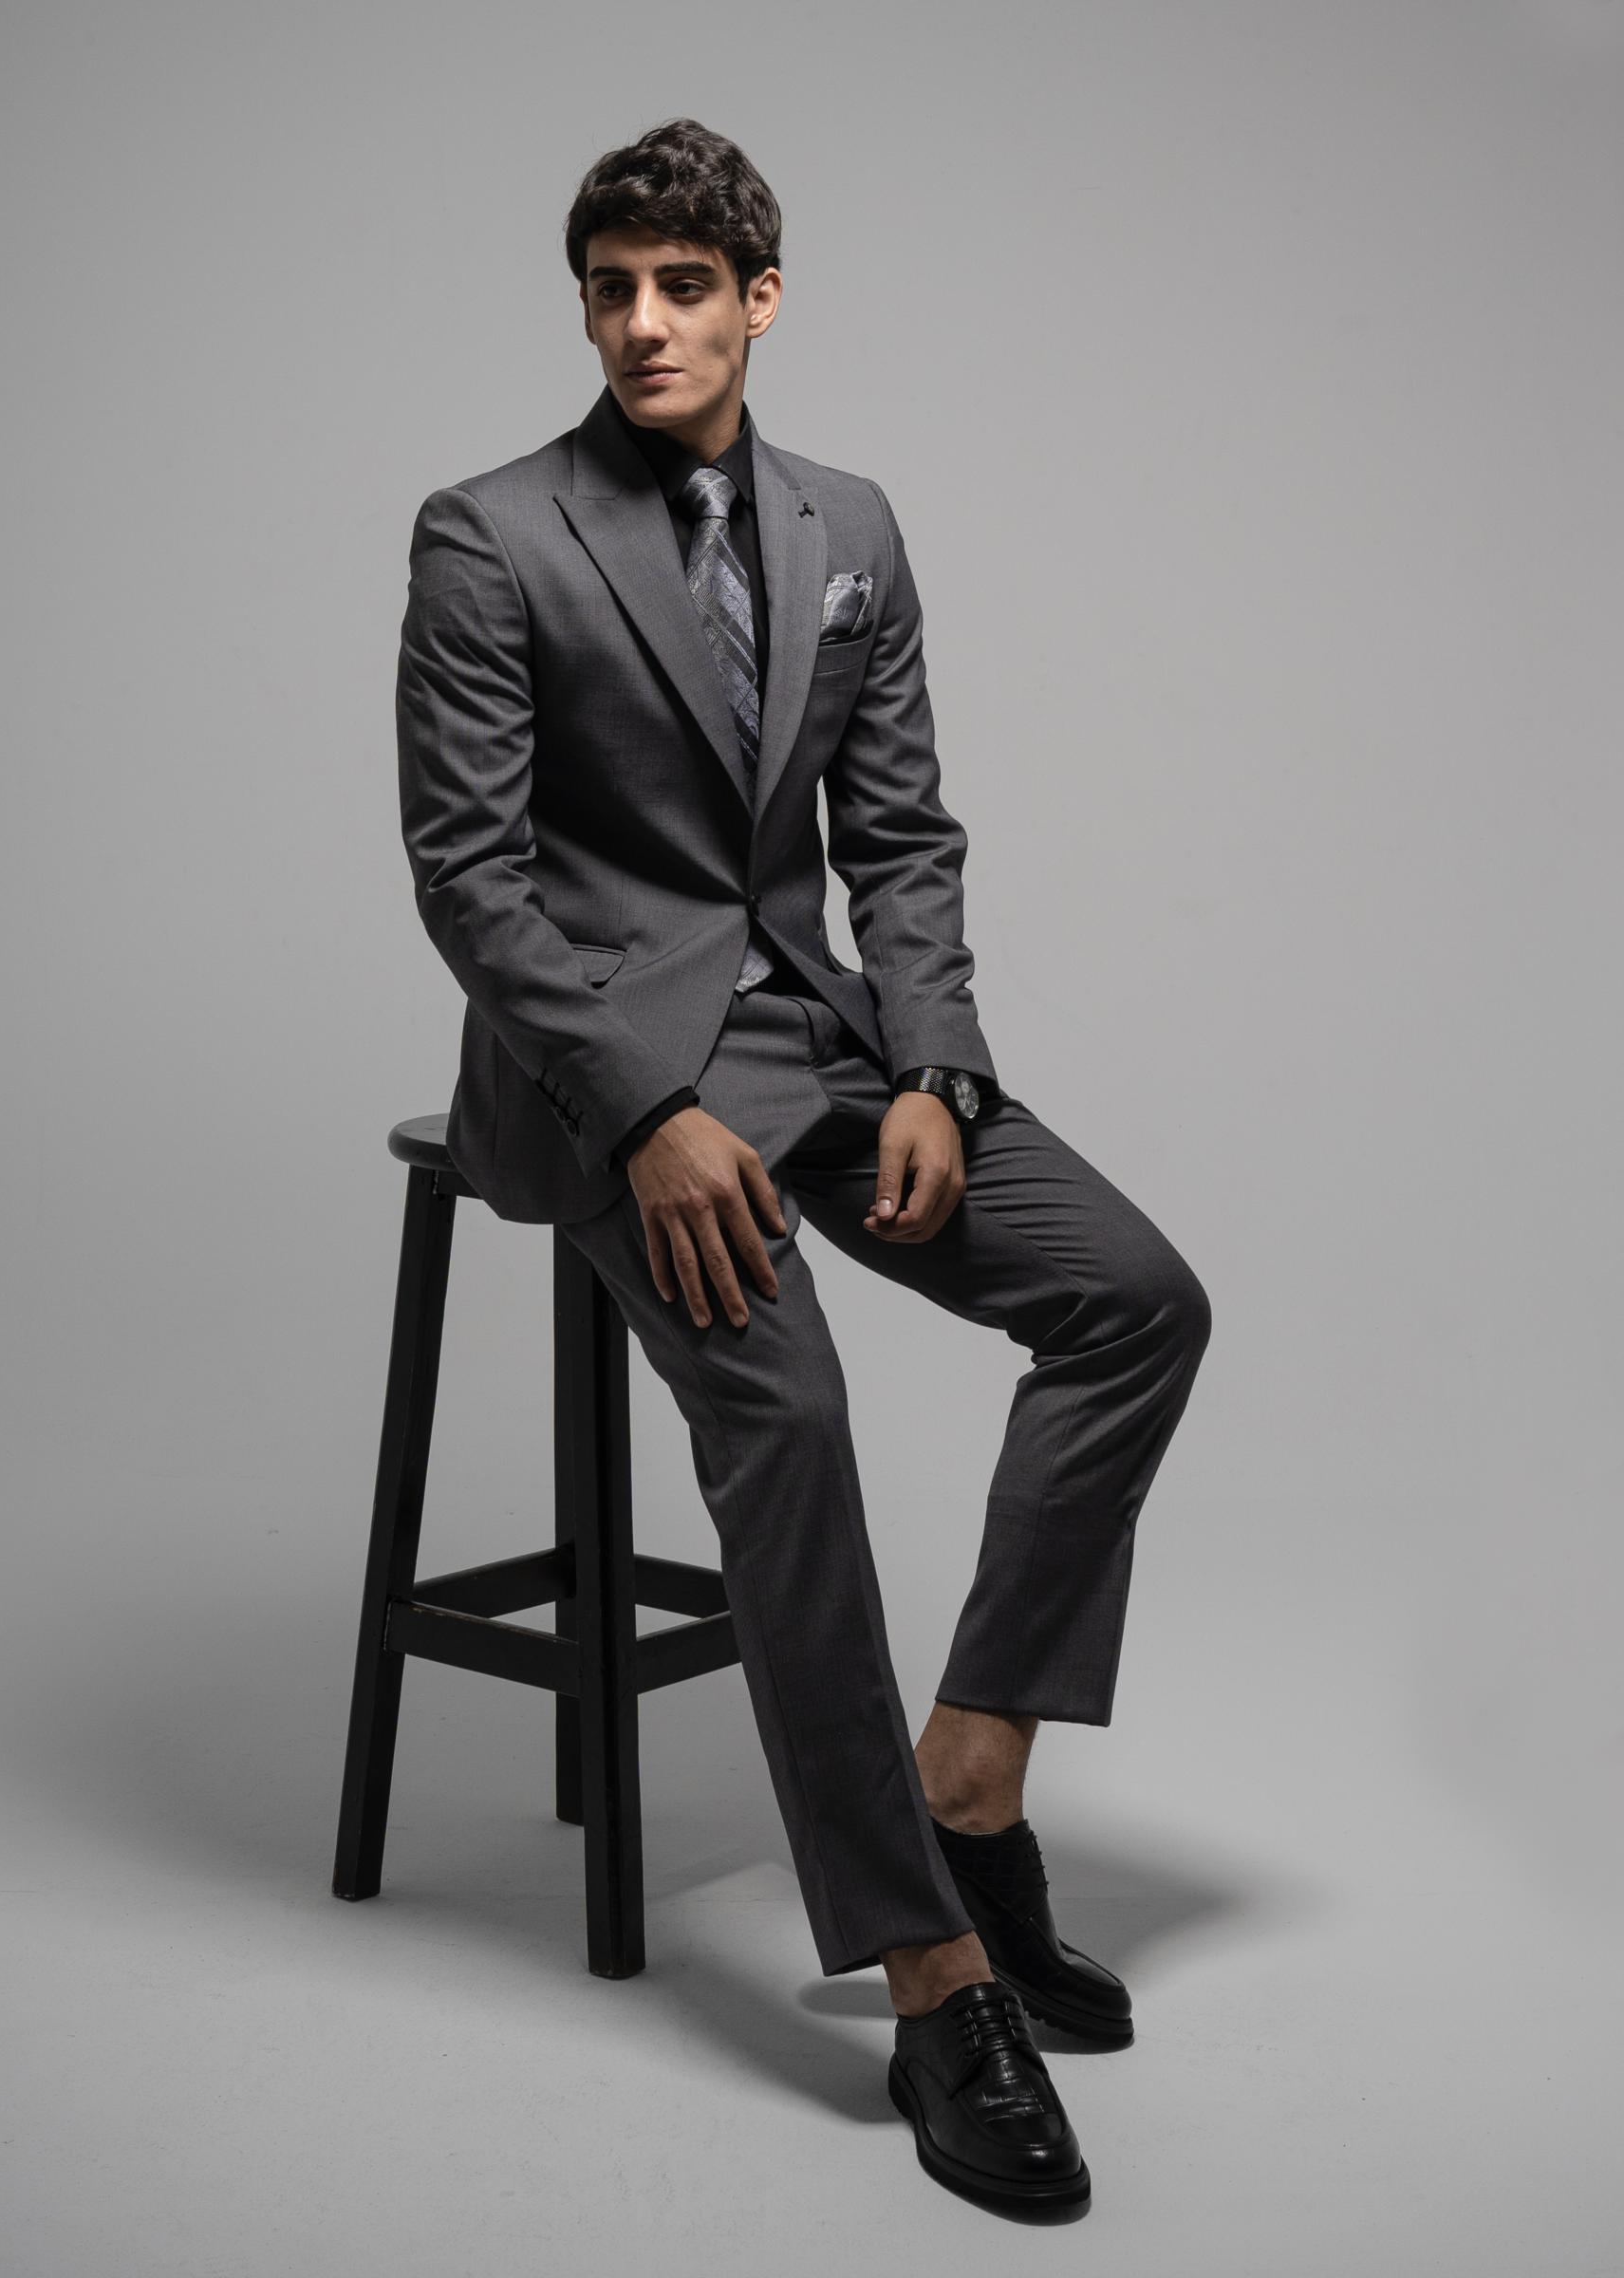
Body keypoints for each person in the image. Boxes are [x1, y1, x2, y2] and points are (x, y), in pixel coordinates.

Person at [396, 116, 1212, 2213]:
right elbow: (473, 882)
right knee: (795, 1419)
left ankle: (972, 1784)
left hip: (826, 1043)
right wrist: (645, 1113)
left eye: (684, 286)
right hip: (604, 1074)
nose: (643, 323)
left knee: (1135, 1302)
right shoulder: (492, 533)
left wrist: (933, 1060)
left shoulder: (850, 524)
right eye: (611, 289)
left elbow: (901, 836)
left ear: (760, 300)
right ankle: (934, 1979)